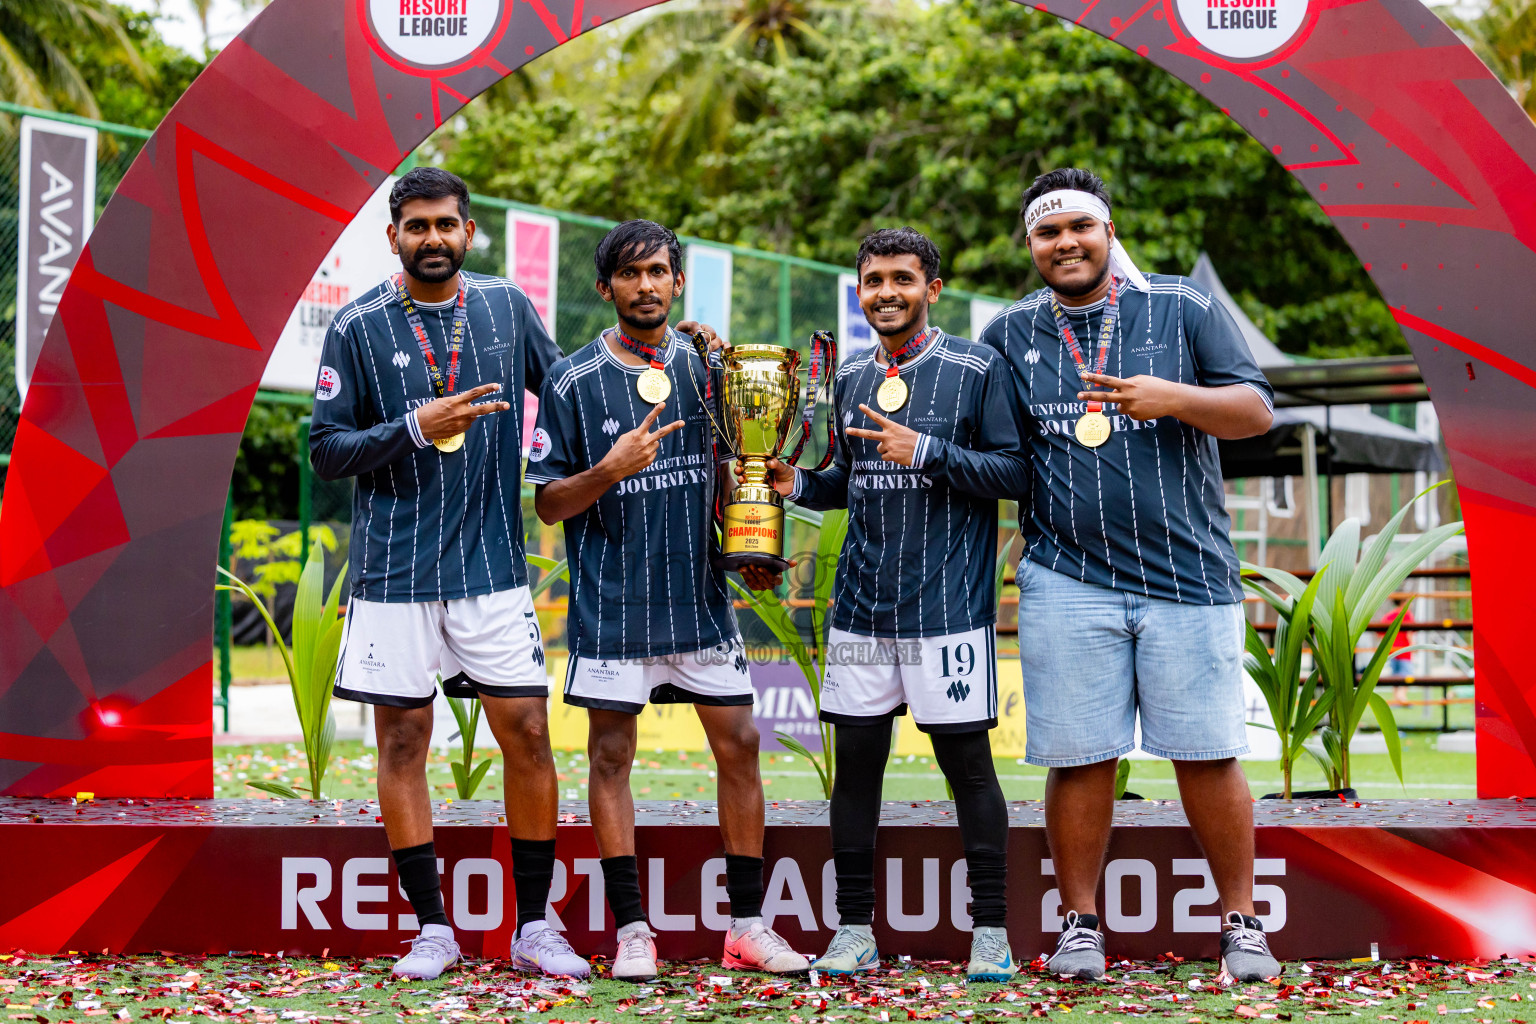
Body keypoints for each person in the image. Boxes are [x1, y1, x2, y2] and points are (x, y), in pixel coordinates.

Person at [977, 167, 1281, 982]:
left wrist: (1174, 398)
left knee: (1208, 753)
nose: (1065, 243)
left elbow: (1256, 410)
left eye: (1079, 227)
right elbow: (1000, 456)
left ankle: (1242, 925)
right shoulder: (1009, 332)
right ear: (1031, 245)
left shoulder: (1183, 306)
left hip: (1189, 576)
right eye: (1048, 232)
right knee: (1079, 756)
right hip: (1066, 577)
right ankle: (1080, 926)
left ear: (1109, 232)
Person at [310, 167, 586, 982]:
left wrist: (664, 361)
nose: (433, 237)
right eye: (417, 225)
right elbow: (327, 450)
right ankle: (432, 928)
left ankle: (535, 927)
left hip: (491, 568)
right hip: (394, 573)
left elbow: (567, 391)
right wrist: (413, 426)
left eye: (446, 224)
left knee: (529, 737)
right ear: (392, 234)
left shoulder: (504, 307)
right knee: (402, 741)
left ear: (469, 233)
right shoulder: (356, 326)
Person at [526, 219, 809, 982]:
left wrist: (750, 539)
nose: (646, 285)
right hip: (614, 605)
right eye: (630, 274)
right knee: (612, 755)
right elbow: (550, 505)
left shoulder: (709, 369)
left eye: (658, 271)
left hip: (697, 600)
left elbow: (736, 461)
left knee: (741, 745)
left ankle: (747, 925)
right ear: (605, 289)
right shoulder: (572, 380)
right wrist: (610, 468)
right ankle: (632, 932)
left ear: (677, 282)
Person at [752, 227, 1029, 983]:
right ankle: (853, 929)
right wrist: (797, 485)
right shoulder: (849, 378)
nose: (885, 293)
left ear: (932, 289)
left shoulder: (977, 368)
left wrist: (929, 452)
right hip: (862, 614)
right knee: (858, 775)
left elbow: (1015, 472)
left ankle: (993, 932)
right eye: (872, 281)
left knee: (968, 768)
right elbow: (847, 478)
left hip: (947, 612)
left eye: (901, 279)